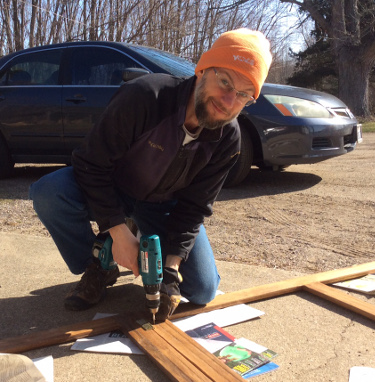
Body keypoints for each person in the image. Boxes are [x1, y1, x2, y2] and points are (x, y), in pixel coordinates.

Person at [29, 28, 272, 321]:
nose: (229, 100)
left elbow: (195, 207)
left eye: (244, 94)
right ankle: (98, 266)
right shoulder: (146, 96)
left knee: (203, 290)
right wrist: (117, 232)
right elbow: (89, 164)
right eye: (224, 82)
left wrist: (170, 268)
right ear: (203, 70)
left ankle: (140, 242)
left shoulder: (228, 139)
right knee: (49, 193)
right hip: (115, 187)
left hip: (164, 206)